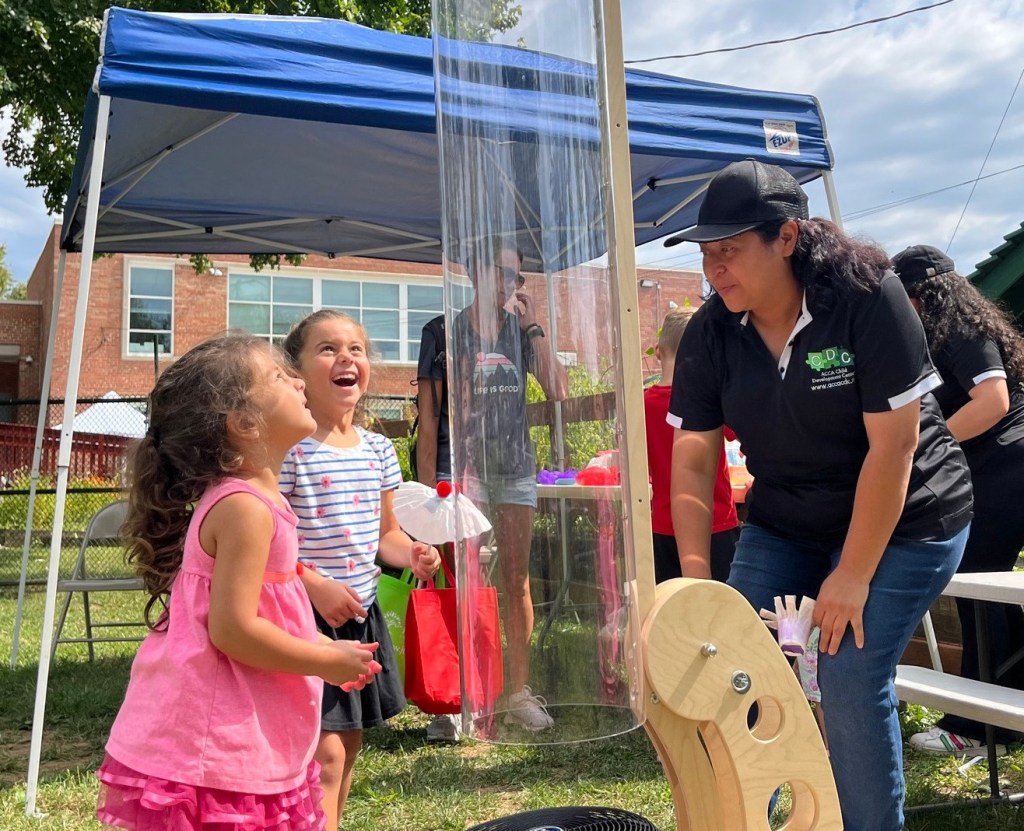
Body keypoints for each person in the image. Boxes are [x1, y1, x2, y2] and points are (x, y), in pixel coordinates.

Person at [664, 159, 973, 831]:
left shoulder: (868, 298)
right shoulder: (712, 332)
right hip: (790, 519)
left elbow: (895, 447)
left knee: (848, 668)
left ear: (787, 237)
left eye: (729, 249)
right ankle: (750, 817)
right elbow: (692, 458)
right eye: (707, 253)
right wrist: (696, 581)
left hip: (910, 514)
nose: (714, 268)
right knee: (726, 653)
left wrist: (853, 575)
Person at [96, 333, 380, 831]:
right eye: (278, 376)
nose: (298, 380)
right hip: (214, 744)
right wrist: (322, 660)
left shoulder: (258, 502)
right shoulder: (245, 508)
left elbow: (267, 613)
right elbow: (232, 629)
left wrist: (321, 643)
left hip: (233, 732)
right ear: (245, 424)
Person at [280, 309, 441, 828]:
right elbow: (266, 542)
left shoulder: (378, 449)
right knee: (324, 753)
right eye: (327, 348)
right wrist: (313, 585)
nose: (346, 358)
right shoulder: (289, 451)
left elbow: (385, 535)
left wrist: (412, 553)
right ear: (296, 371)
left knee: (347, 747)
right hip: (304, 617)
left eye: (356, 349)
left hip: (359, 617)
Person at [892, 244, 1024, 757]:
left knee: (975, 587)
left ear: (921, 296)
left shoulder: (960, 330)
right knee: (990, 593)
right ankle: (1001, 717)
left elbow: (993, 401)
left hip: (1006, 467)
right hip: (1001, 467)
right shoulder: (962, 327)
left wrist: (926, 445)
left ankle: (979, 729)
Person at [450, 240, 568, 731]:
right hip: (473, 470)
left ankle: (517, 690)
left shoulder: (521, 332)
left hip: (516, 467)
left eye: (516, 277)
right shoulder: (454, 329)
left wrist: (535, 327)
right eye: (501, 272)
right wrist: (444, 473)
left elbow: (559, 389)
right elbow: (447, 407)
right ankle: (470, 691)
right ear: (475, 272)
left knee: (515, 578)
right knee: (467, 578)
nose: (508, 284)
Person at [644, 306, 739, 583]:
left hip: (662, 526)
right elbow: (739, 435)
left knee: (672, 603)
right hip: (715, 521)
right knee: (722, 601)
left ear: (658, 352)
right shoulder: (710, 402)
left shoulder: (642, 407)